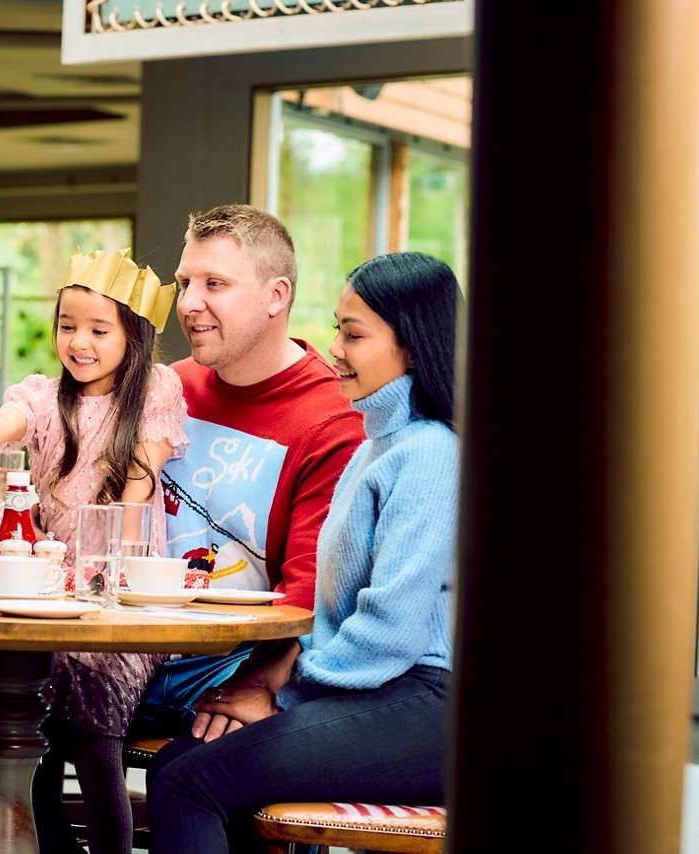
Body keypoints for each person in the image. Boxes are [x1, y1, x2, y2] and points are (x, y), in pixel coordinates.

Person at [146, 251, 462, 852]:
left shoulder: (428, 454)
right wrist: (276, 684)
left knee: (190, 782)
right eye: (338, 329)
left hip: (428, 705)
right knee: (180, 763)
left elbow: (389, 632)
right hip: (381, 690)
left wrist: (280, 694)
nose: (334, 349)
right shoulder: (375, 446)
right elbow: (332, 611)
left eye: (354, 335)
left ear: (414, 347)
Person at [0, 248, 188, 853]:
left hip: (121, 609)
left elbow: (135, 491)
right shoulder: (46, 398)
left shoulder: (154, 393)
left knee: (93, 738)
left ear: (134, 336)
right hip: (50, 606)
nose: (79, 342)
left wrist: (106, 580)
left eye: (99, 329)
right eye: (68, 326)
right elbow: (3, 419)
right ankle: (40, 843)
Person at [135, 204, 365, 734]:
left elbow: (312, 589)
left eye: (214, 284)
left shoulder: (333, 419)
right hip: (130, 642)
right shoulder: (167, 387)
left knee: (200, 766)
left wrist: (262, 682)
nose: (189, 303)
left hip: (233, 660)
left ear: (275, 295)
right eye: (185, 283)